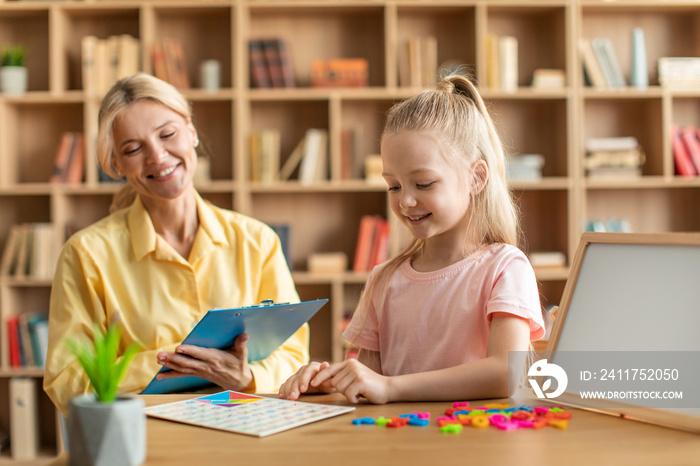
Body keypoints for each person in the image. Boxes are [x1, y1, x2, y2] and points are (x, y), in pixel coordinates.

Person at [44, 73, 308, 416]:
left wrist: (246, 378)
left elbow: (294, 354)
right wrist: (173, 360)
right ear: (116, 164)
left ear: (192, 132)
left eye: (167, 134)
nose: (157, 156)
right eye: (133, 149)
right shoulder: (86, 254)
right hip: (145, 438)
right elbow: (67, 381)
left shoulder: (257, 241)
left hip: (249, 428)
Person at [278, 74, 546, 404]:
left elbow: (507, 373)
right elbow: (370, 382)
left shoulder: (505, 267)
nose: (405, 201)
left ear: (476, 177)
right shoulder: (384, 280)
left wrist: (392, 388)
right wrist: (331, 381)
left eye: (423, 184)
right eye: (393, 186)